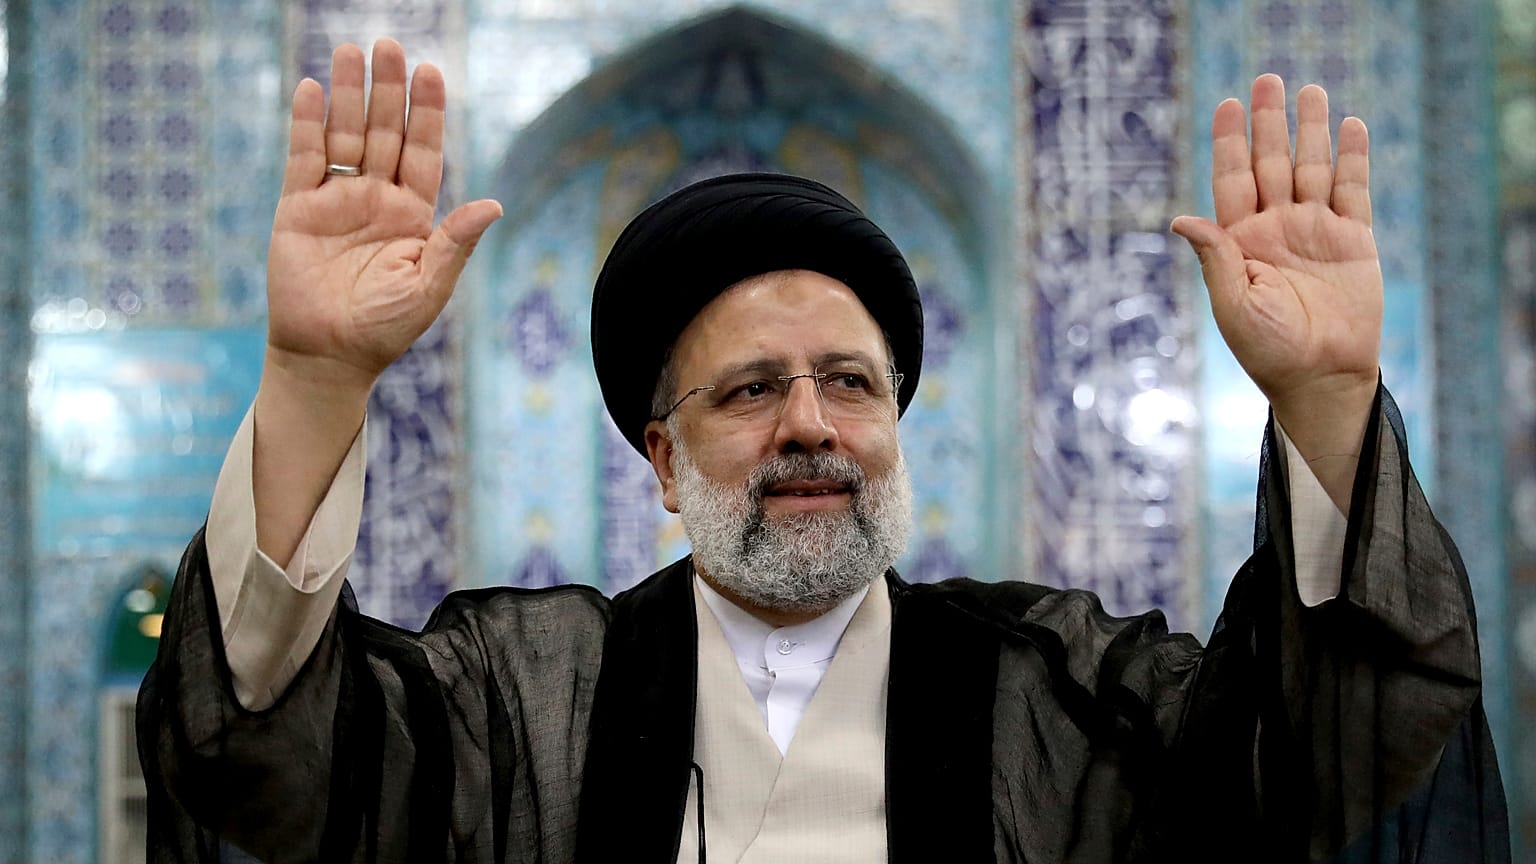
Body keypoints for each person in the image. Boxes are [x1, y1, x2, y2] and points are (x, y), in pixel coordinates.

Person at [137, 38, 1508, 863]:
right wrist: (316, 381)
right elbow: (263, 747)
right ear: (662, 465)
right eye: (747, 392)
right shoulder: (516, 695)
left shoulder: (1065, 682)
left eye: (849, 383)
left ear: (897, 431)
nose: (809, 422)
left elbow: (1333, 755)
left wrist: (1326, 398)